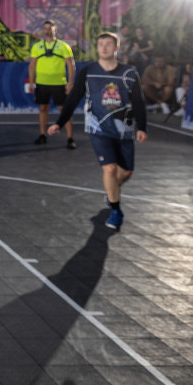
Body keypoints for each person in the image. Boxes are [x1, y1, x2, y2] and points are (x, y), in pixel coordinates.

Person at [48, 33, 148, 231]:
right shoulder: (88, 71)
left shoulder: (129, 73)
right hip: (98, 127)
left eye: (108, 44)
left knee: (126, 172)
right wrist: (59, 122)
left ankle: (112, 192)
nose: (103, 48)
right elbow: (74, 98)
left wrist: (142, 128)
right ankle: (116, 210)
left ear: (116, 47)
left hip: (123, 129)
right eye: (100, 44)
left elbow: (138, 102)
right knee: (109, 169)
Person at [28, 20, 76, 149]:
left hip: (59, 84)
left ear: (56, 30)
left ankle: (70, 138)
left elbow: (71, 65)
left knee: (64, 111)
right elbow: (32, 65)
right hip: (42, 83)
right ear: (43, 30)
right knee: (43, 109)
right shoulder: (37, 46)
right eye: (45, 28)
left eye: (50, 28)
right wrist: (32, 82)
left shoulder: (63, 46)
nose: (48, 30)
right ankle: (43, 135)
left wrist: (70, 82)